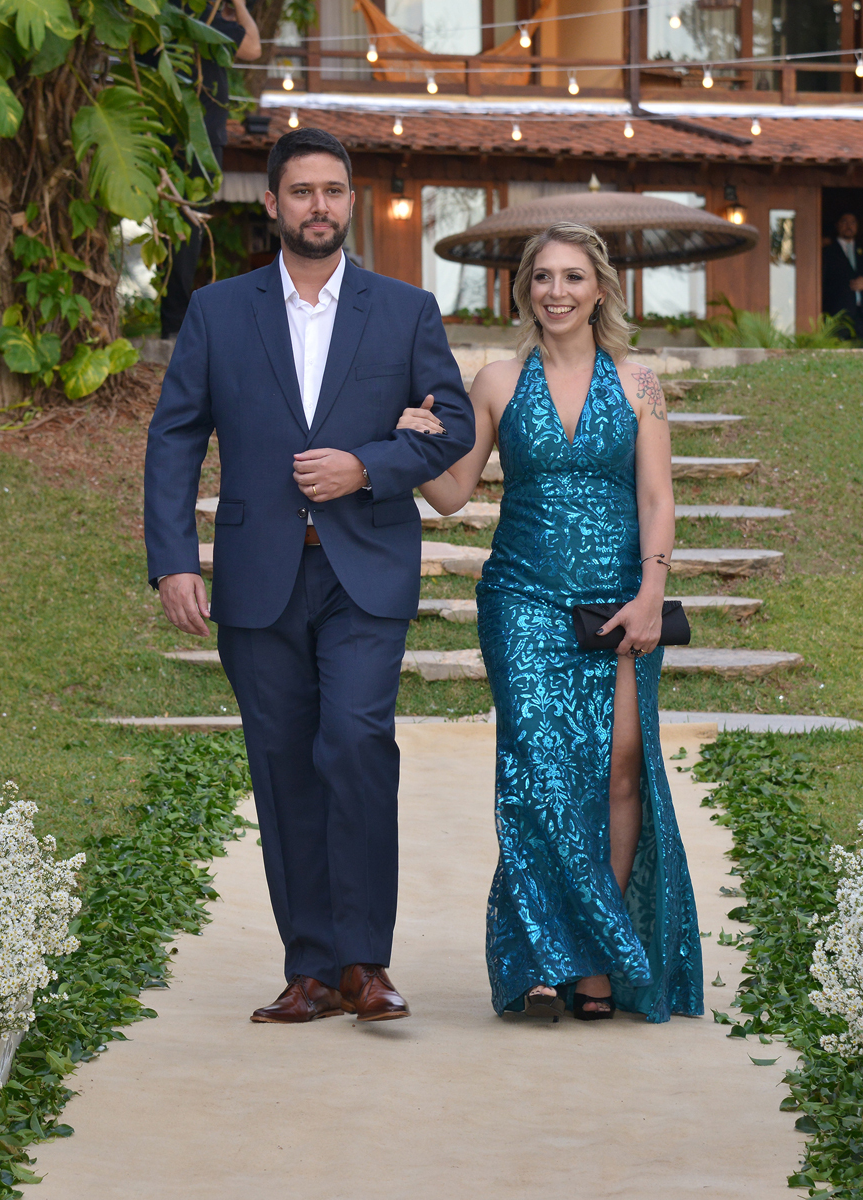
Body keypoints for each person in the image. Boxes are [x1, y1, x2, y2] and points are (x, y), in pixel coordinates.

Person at [144, 128, 475, 1023]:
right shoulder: (218, 312)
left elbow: (452, 431)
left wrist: (367, 465)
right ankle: (311, 969)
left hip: (364, 570)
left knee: (357, 744)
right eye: (302, 192)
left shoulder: (405, 310)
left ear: (350, 201)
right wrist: (174, 559)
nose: (319, 206)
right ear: (274, 203)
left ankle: (366, 963)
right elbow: (175, 436)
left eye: (333, 191)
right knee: (283, 762)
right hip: (258, 576)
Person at [396, 222, 704, 1023]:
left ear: (599, 289)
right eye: (542, 278)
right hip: (524, 601)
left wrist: (649, 592)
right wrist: (415, 443)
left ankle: (597, 959)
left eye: (573, 277)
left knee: (621, 772)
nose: (556, 292)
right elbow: (456, 493)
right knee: (537, 774)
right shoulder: (497, 379)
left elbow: (658, 500)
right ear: (523, 289)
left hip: (619, 600)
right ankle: (542, 957)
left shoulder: (641, 385)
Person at [158, 0, 262, 339]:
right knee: (184, 226)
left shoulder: (184, 13)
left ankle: (171, 321)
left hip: (177, 131)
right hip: (181, 133)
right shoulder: (195, 14)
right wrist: (240, 6)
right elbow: (253, 47)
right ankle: (172, 323)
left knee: (184, 228)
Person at [822, 212, 863, 340]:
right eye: (844, 222)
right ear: (837, 225)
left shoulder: (861, 249)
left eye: (852, 222)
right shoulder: (827, 251)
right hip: (837, 314)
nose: (848, 226)